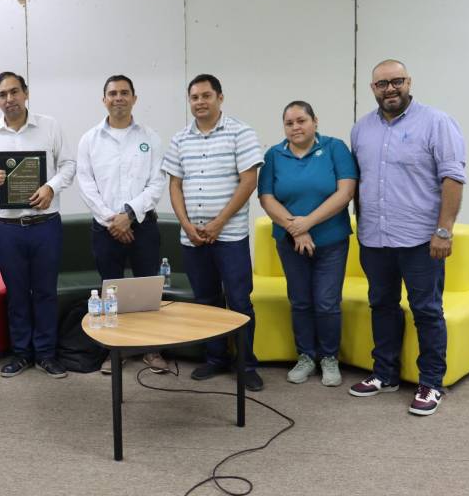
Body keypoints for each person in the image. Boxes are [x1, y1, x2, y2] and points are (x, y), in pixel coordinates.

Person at [348, 59, 466, 416]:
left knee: (427, 310)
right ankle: (385, 373)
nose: (390, 89)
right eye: (382, 84)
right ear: (373, 89)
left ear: (408, 82)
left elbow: (453, 179)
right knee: (381, 305)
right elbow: (359, 183)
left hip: (420, 240)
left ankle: (431, 382)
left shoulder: (437, 122)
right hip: (375, 238)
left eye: (396, 81)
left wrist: (444, 230)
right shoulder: (361, 129)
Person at [0, 71, 75, 379]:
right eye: (2, 95)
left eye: (14, 92)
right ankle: (21, 353)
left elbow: (69, 165)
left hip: (45, 224)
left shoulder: (50, 127)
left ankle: (46, 353)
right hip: (6, 228)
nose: (9, 99)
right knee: (16, 292)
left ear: (26, 93)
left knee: (45, 292)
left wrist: (51, 187)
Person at [162, 74, 265, 391]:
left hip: (230, 236)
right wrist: (186, 225)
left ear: (220, 98)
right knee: (205, 301)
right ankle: (215, 358)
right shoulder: (180, 139)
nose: (200, 102)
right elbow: (175, 185)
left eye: (206, 96)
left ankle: (246, 363)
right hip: (192, 237)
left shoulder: (241, 133)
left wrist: (219, 222)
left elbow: (249, 181)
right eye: (194, 97)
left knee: (238, 300)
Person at [258, 101, 358, 387]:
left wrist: (308, 223)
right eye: (289, 123)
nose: (296, 127)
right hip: (290, 243)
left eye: (301, 120)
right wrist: (295, 228)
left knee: (327, 302)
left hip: (331, 242)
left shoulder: (334, 148)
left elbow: (345, 191)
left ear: (315, 120)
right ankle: (305, 356)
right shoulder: (274, 155)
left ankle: (329, 357)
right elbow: (267, 198)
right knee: (300, 301)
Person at [77, 74, 168, 375]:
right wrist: (111, 220)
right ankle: (113, 351)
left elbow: (157, 183)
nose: (118, 98)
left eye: (124, 93)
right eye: (112, 93)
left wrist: (128, 214)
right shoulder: (89, 139)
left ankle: (151, 349)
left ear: (134, 98)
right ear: (104, 99)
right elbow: (86, 184)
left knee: (146, 289)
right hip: (105, 229)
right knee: (109, 290)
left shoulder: (150, 137)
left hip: (142, 225)